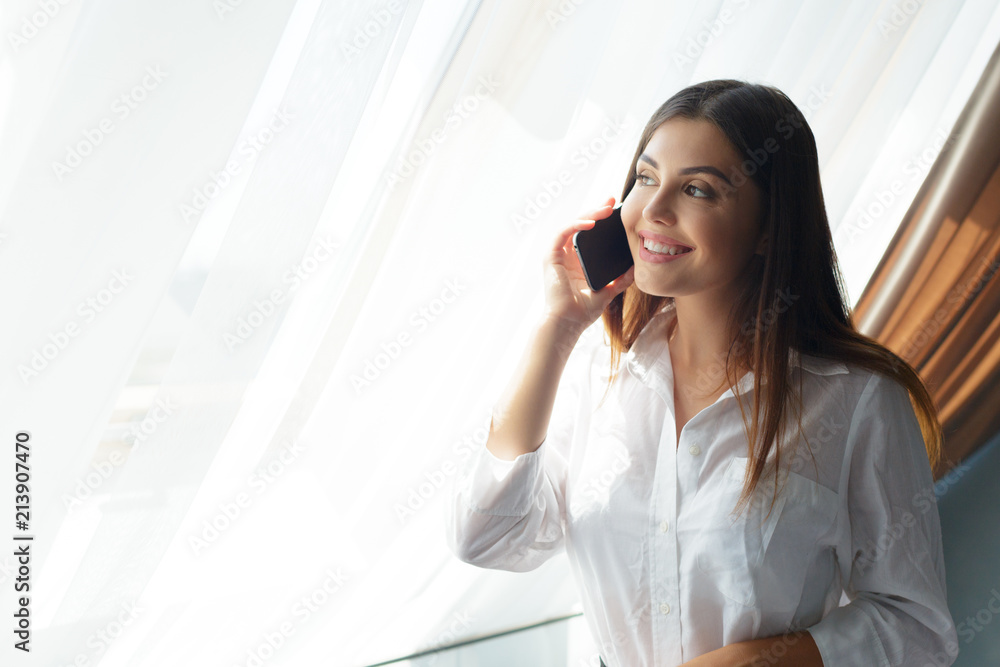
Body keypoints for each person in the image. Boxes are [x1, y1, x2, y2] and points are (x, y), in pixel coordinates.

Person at [444, 79, 958, 666]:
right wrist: (557, 331)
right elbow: (485, 539)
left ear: (769, 228)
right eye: (645, 178)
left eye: (697, 190)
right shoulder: (597, 375)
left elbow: (916, 627)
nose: (654, 212)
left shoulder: (858, 400)